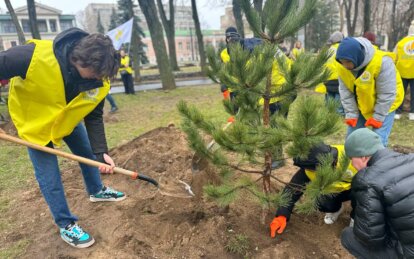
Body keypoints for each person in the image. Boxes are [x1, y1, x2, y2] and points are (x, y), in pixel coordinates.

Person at [0, 28, 126, 248]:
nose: (98, 79)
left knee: (88, 153)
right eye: (95, 73)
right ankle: (66, 224)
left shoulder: (99, 78)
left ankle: (97, 190)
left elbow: (94, 116)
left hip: (66, 119)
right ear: (78, 59)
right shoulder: (31, 56)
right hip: (36, 125)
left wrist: (101, 152)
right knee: (50, 177)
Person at [341, 128, 414, 258]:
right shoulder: (410, 158)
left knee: (348, 236)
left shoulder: (368, 179)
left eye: (351, 158)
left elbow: (371, 238)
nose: (352, 164)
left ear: (363, 157)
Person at [269, 143, 357, 238]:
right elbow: (293, 188)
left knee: (364, 197)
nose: (308, 171)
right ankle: (336, 209)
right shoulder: (310, 167)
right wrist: (282, 214)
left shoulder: (352, 158)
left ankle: (355, 218)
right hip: (333, 191)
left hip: (355, 188)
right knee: (322, 203)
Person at [335, 36, 404, 146]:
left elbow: (386, 94)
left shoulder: (382, 62)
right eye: (342, 62)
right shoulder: (341, 67)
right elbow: (346, 93)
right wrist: (351, 114)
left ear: (357, 56)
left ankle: (378, 162)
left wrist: (378, 117)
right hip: (362, 102)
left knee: (377, 141)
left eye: (348, 62)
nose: (345, 65)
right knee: (352, 138)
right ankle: (353, 162)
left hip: (387, 103)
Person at [315, 31, 345, 116]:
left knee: (330, 95)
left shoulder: (329, 51)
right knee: (338, 96)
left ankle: (329, 112)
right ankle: (338, 113)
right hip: (338, 78)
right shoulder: (342, 49)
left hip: (327, 78)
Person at [394, 21, 414, 120]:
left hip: (401, 71)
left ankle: (398, 112)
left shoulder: (401, 42)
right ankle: (412, 113)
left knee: (400, 93)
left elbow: (395, 56)